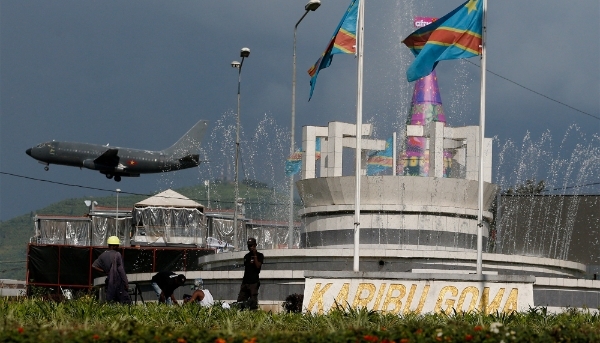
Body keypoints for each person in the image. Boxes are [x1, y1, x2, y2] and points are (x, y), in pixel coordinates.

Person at [91, 236, 131, 304]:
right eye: (117, 245)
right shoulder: (117, 254)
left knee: (111, 302)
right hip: (118, 282)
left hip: (109, 282)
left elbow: (94, 266)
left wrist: (105, 271)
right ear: (114, 246)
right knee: (125, 303)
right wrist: (126, 283)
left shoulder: (103, 255)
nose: (118, 247)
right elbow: (121, 270)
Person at [236, 237, 264, 310]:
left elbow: (258, 266)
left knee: (253, 302)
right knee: (240, 300)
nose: (250, 247)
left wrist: (254, 255)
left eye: (252, 245)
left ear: (255, 245)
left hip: (254, 282)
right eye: (249, 245)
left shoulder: (260, 255)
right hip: (245, 282)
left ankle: (253, 315)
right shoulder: (246, 256)